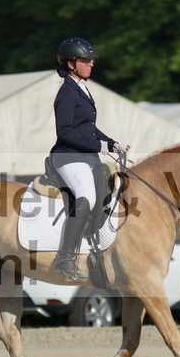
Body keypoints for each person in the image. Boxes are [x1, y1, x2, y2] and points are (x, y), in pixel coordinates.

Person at [49, 38, 129, 281]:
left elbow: (88, 128)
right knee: (87, 197)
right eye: (85, 60)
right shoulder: (66, 92)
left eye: (91, 60)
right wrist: (99, 146)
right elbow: (65, 132)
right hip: (68, 157)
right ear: (71, 64)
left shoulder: (81, 88)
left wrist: (112, 143)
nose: (91, 64)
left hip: (86, 157)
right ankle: (64, 258)